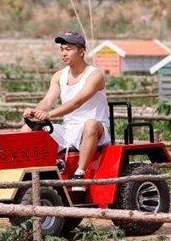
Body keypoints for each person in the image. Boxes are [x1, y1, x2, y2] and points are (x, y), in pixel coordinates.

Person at [23, 31, 110, 189]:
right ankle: (26, 172)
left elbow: (77, 102)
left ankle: (80, 173)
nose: (64, 53)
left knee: (90, 124)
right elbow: (48, 100)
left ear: (82, 51)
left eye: (68, 49)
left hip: (94, 131)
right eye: (62, 49)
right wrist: (35, 111)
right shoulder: (58, 76)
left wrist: (49, 114)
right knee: (28, 128)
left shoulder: (95, 75)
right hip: (69, 130)